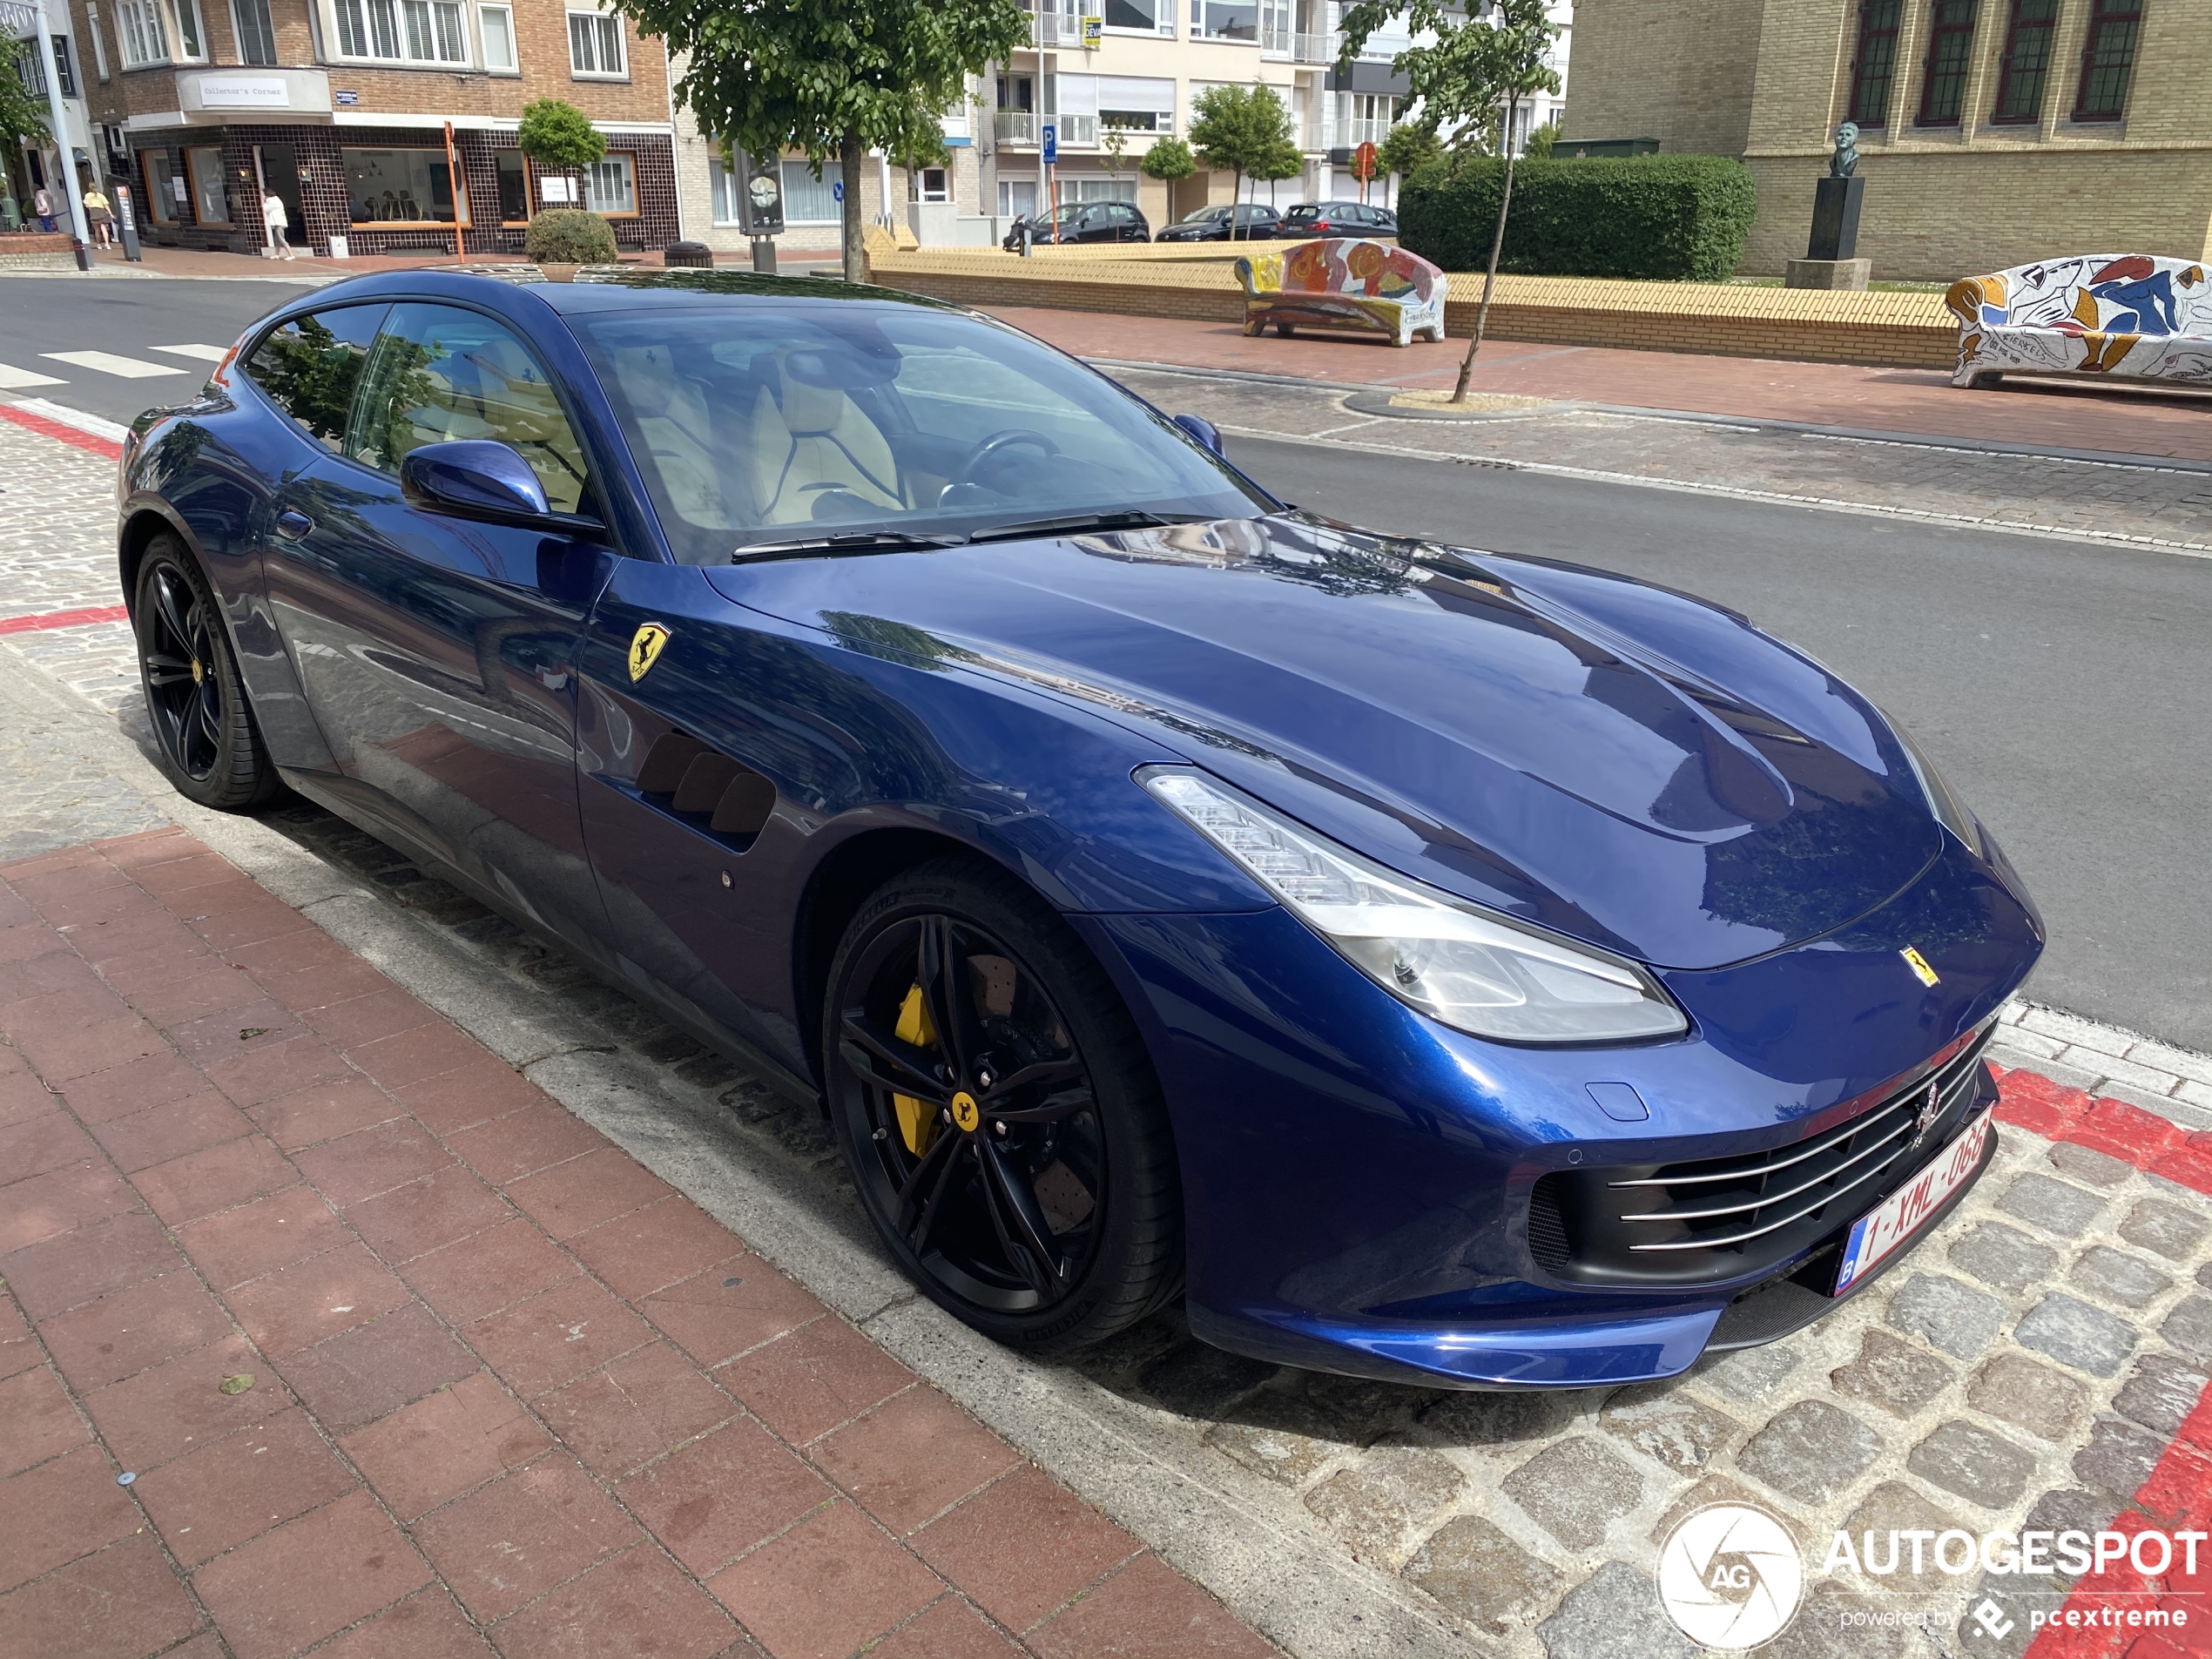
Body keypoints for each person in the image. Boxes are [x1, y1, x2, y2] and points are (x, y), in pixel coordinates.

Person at [261, 189, 294, 260]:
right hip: (278, 222)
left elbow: (266, 209)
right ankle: (276, 254)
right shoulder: (276, 200)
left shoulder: (272, 201)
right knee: (277, 239)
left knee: (281, 238)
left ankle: (291, 255)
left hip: (279, 222)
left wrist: (264, 202)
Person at [83, 185, 115, 249]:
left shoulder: (87, 195)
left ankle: (98, 244)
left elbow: (87, 205)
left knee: (97, 230)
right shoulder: (101, 195)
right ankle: (107, 244)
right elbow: (106, 205)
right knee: (104, 229)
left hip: (93, 212)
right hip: (101, 211)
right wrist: (110, 213)